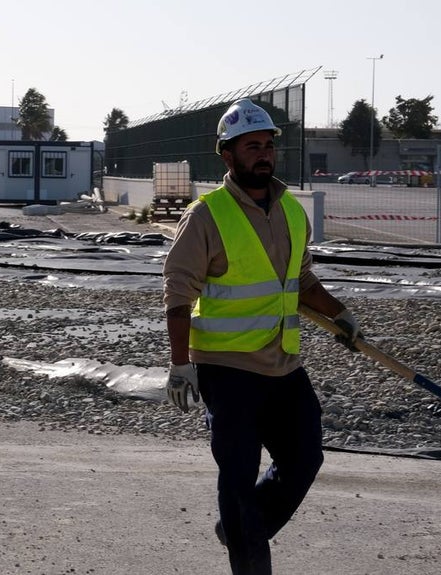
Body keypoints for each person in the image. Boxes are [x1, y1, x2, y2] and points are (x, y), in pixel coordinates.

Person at [163, 98, 360, 575]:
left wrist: (342, 315)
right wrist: (180, 363)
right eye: (252, 146)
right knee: (237, 479)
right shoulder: (207, 216)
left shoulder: (293, 211)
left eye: (268, 144)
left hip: (283, 365)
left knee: (305, 458)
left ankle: (239, 527)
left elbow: (303, 281)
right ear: (227, 155)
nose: (264, 153)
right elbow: (177, 291)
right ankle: (247, 547)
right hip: (227, 370)